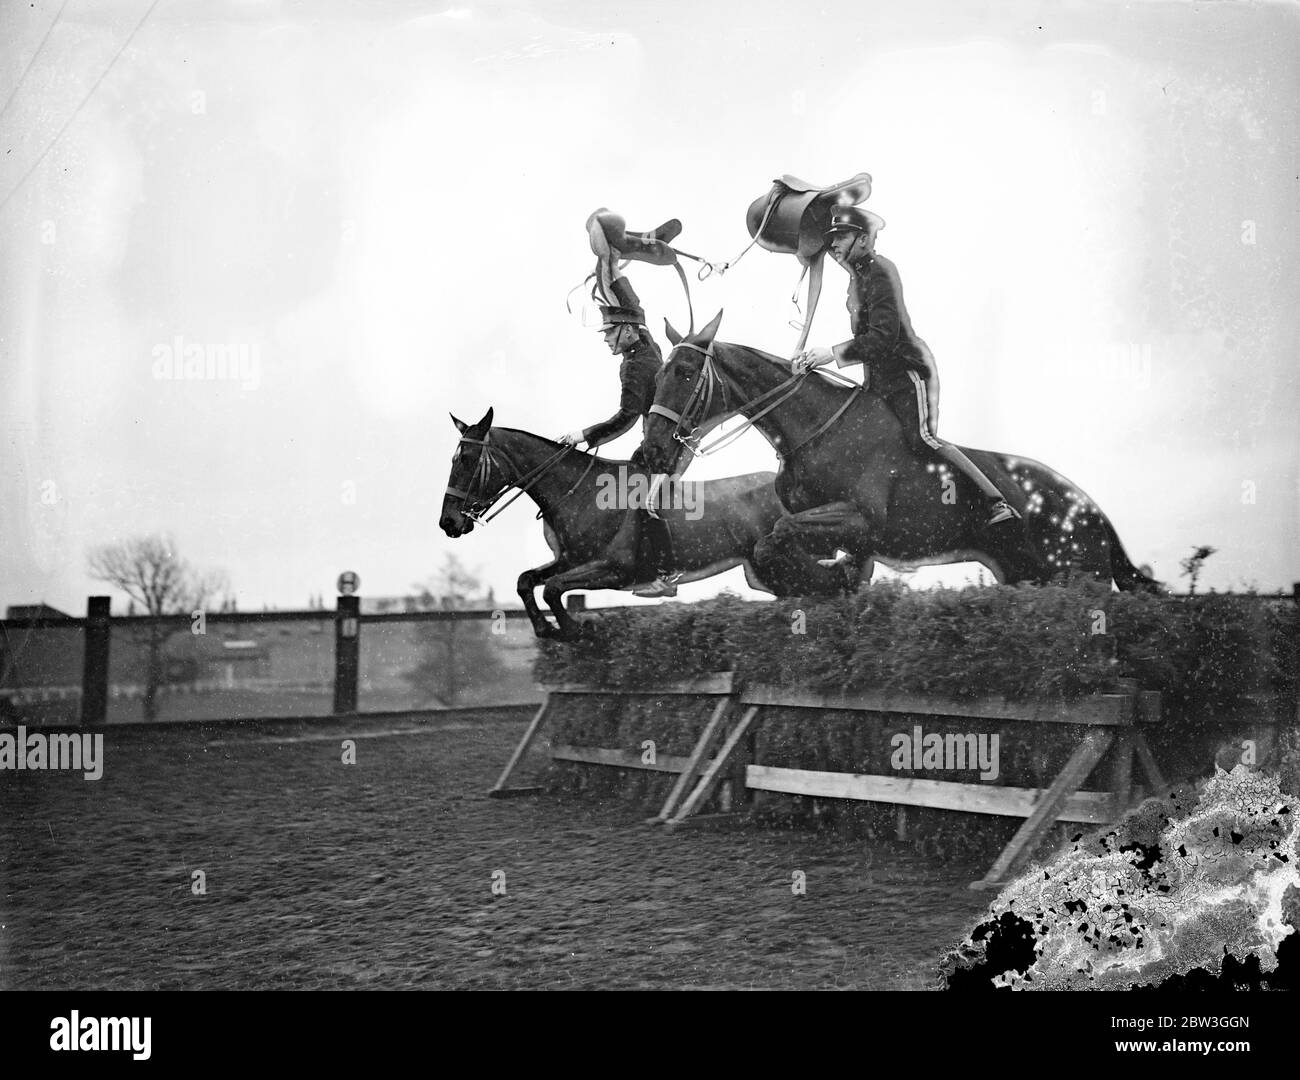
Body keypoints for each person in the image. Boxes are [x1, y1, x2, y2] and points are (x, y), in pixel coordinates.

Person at [792, 207, 1020, 527]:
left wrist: (831, 352)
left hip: (905, 374)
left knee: (921, 439)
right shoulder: (857, 277)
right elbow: (823, 253)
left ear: (863, 238)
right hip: (877, 378)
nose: (833, 245)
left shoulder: (882, 272)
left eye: (841, 237)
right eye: (831, 239)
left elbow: (883, 338)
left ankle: (995, 501)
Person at [558, 213, 681, 598]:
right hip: (657, 442)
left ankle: (666, 577)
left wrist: (583, 435)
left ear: (626, 330)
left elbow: (627, 418)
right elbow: (617, 294)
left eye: (610, 334)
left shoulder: (636, 366)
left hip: (665, 449)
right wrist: (610, 260)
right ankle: (632, 241)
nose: (607, 342)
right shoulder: (642, 337)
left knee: (645, 504)